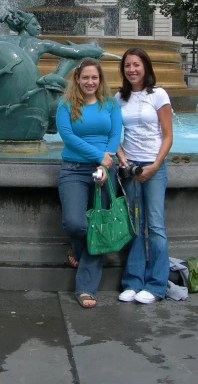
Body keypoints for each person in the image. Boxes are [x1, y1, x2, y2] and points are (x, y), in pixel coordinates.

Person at [56, 58, 122, 309]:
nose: (90, 82)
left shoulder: (109, 103)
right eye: (86, 77)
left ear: (100, 79)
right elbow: (68, 137)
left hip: (103, 171)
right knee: (76, 224)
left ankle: (86, 287)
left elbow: (115, 135)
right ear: (77, 79)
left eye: (94, 77)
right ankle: (75, 247)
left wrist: (105, 165)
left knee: (97, 228)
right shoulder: (66, 104)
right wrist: (99, 157)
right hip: (73, 170)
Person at [115, 47, 173, 305]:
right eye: (128, 65)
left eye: (136, 65)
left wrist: (155, 165)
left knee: (155, 225)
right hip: (130, 167)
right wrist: (120, 155)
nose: (132, 70)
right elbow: (113, 134)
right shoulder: (119, 98)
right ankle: (133, 281)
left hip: (154, 166)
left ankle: (157, 285)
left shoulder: (158, 94)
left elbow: (168, 135)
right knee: (134, 226)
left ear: (146, 67)